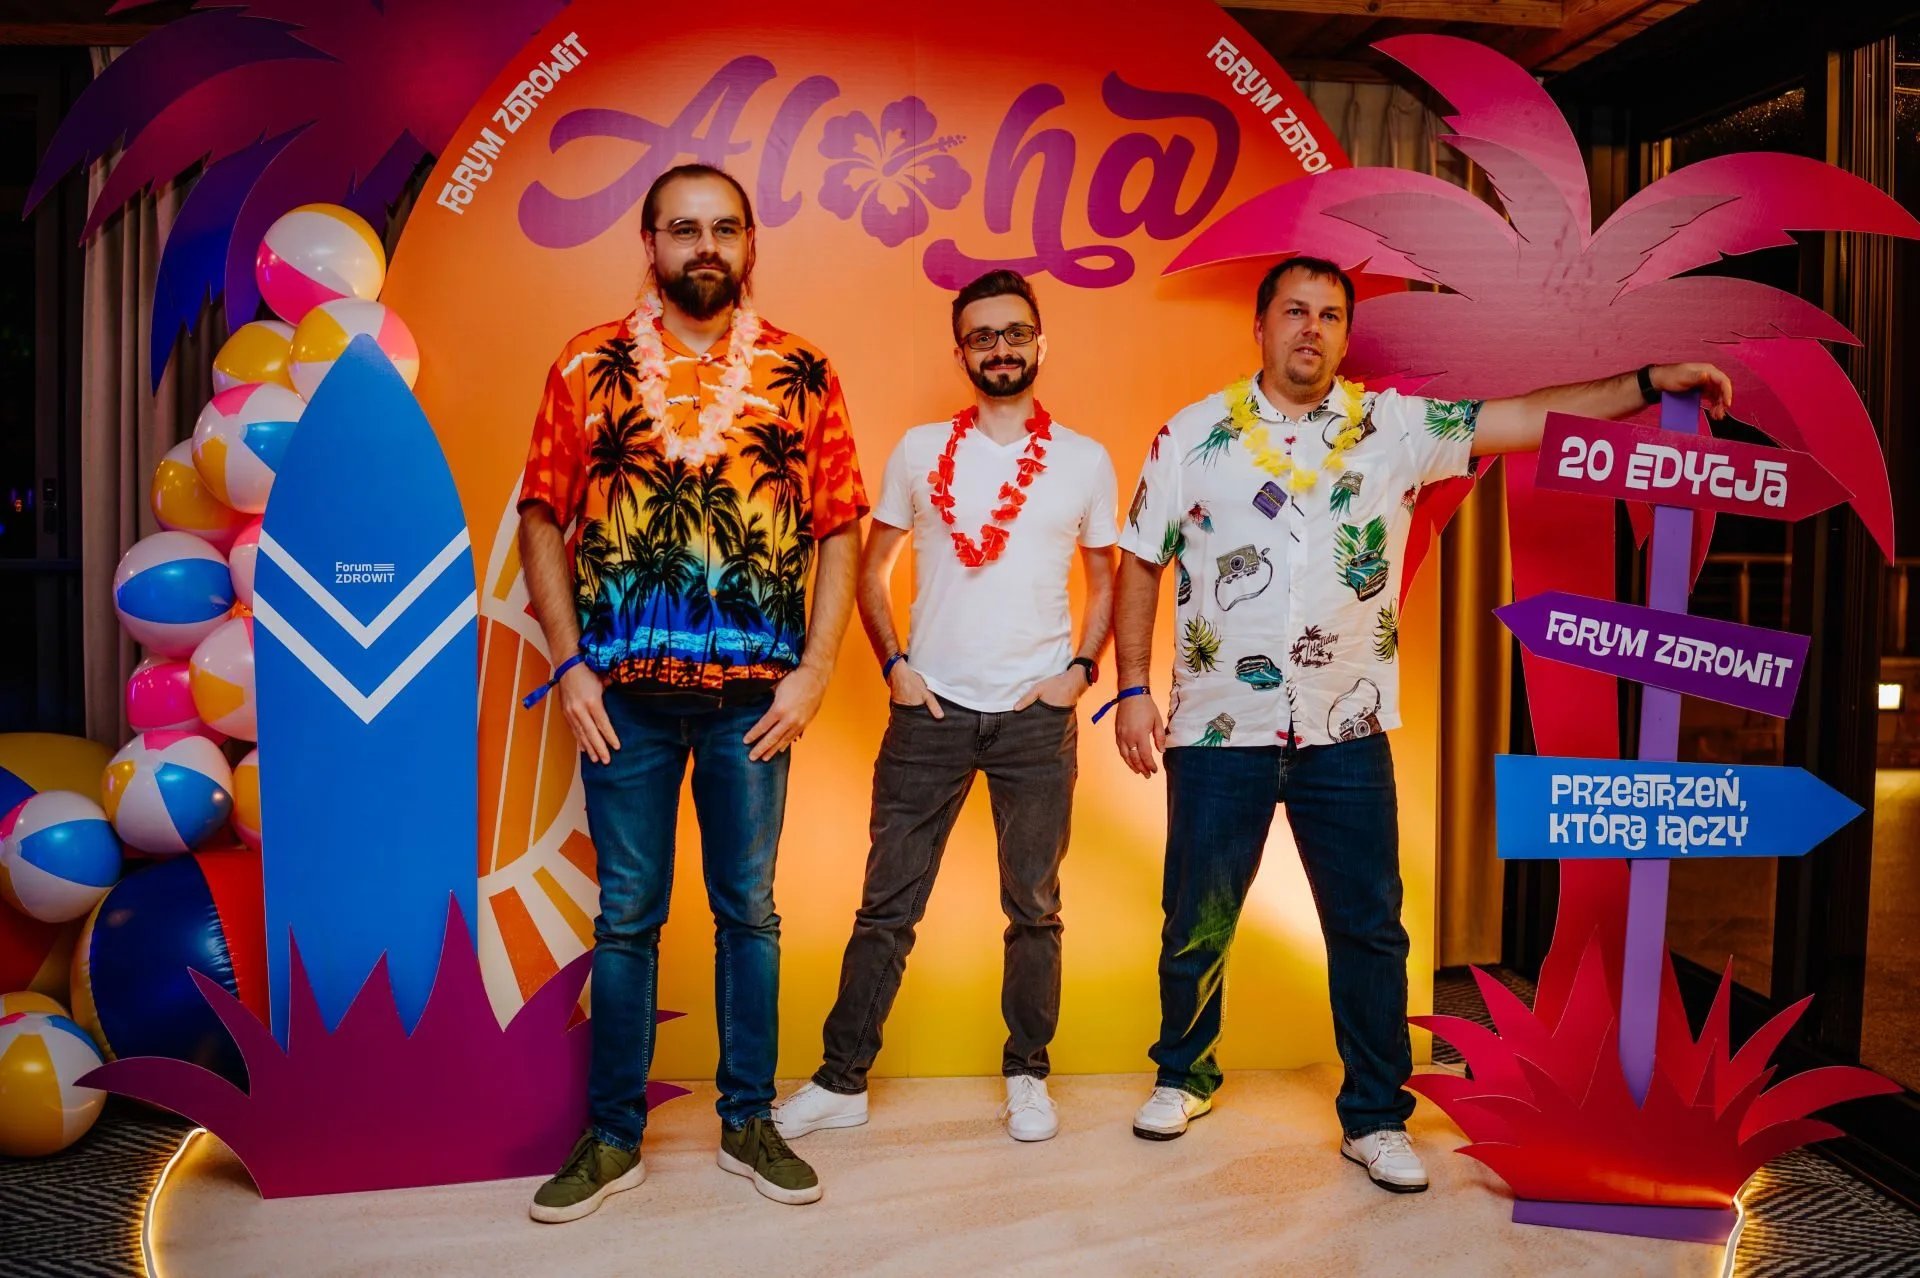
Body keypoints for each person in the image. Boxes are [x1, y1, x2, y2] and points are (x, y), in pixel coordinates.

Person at [1112, 255, 1731, 1193]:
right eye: (1294, 311)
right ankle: (1182, 1075)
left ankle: (1375, 1116)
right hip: (1217, 726)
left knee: (1370, 929)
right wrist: (1130, 687)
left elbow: (1527, 417)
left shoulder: (1396, 428)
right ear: (1261, 326)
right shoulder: (1191, 435)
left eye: (1329, 315)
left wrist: (1647, 383)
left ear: (1345, 336)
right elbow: (1140, 560)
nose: (1311, 329)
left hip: (1347, 730)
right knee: (1196, 919)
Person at [516, 163, 868, 1221]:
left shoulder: (802, 370)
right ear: (651, 244)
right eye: (683, 229)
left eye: (723, 229)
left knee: (748, 913)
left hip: (754, 700)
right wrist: (569, 663)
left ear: (749, 244)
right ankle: (612, 1136)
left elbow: (840, 525)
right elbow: (541, 515)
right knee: (627, 916)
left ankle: (748, 1120)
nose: (704, 246)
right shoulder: (586, 363)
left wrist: (816, 670)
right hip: (620, 697)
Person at [773, 270, 1118, 1146]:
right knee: (886, 905)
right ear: (960, 351)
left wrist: (1080, 670)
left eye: (1015, 332)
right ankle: (842, 1081)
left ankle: (1028, 1075)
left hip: (1037, 717)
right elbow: (870, 567)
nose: (1000, 348)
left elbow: (1106, 575)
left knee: (1033, 908)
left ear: (1040, 341)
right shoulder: (920, 451)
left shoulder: (1083, 459)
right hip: (929, 714)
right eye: (982, 336)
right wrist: (895, 664)